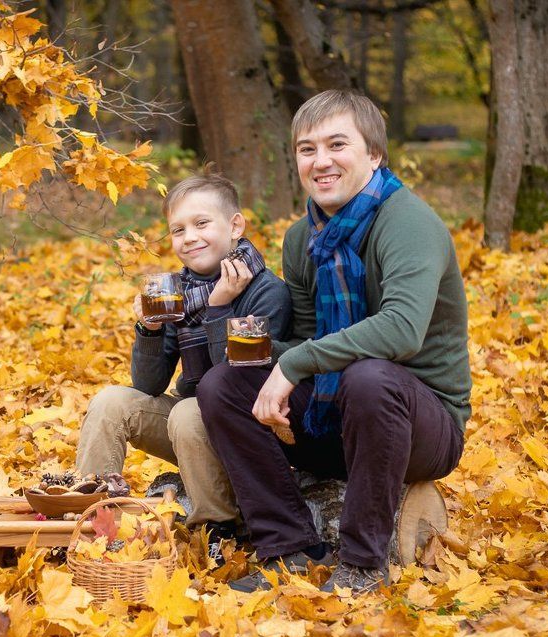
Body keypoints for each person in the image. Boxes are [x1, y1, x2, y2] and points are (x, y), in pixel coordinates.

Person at [197, 89, 471, 593]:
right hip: (334, 418)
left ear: (374, 154)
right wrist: (249, 343)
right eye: (307, 149)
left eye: (337, 145)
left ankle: (363, 564)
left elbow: (402, 330)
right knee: (223, 385)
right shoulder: (302, 237)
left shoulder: (408, 223)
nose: (321, 161)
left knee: (369, 377)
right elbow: (308, 340)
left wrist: (295, 362)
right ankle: (290, 548)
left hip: (421, 428)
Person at [75, 169, 292, 562]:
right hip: (190, 430)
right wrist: (150, 328)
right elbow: (148, 384)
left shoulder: (267, 291)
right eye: (178, 230)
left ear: (235, 226)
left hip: (247, 426)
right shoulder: (180, 294)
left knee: (190, 410)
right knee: (111, 402)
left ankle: (218, 528)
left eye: (201, 223)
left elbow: (237, 376)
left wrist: (219, 307)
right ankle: (93, 517)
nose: (189, 237)